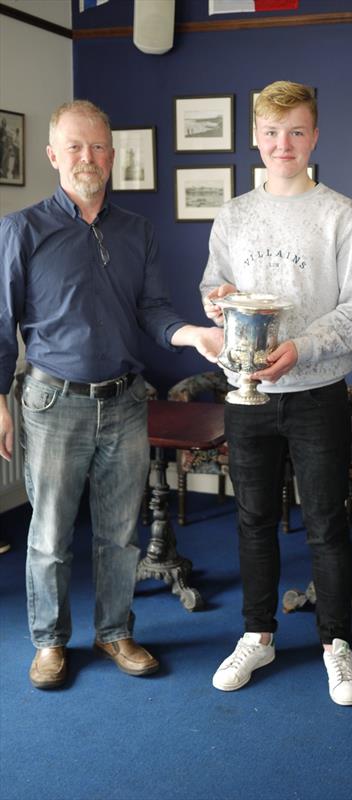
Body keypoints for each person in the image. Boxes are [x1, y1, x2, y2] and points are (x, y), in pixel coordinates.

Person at [0, 100, 223, 690]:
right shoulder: (21, 229)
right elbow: (1, 324)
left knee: (119, 533)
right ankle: (49, 643)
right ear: (53, 155)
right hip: (52, 404)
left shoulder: (137, 231)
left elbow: (153, 311)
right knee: (48, 535)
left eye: (97, 146)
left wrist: (193, 333)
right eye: (74, 147)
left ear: (113, 155)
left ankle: (114, 630)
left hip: (126, 402)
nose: (87, 158)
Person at [201, 81, 352, 706]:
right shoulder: (235, 213)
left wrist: (302, 348)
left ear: (315, 136)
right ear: (255, 137)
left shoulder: (342, 215)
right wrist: (217, 304)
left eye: (297, 132)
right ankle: (258, 633)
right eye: (272, 133)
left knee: (327, 522)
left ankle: (336, 643)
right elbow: (213, 286)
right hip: (246, 393)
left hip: (316, 393)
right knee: (251, 520)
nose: (284, 144)